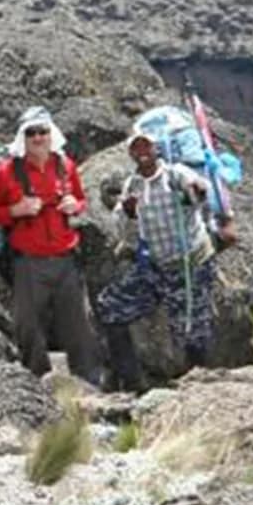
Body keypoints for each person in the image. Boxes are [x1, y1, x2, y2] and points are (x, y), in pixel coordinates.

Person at [96, 130, 235, 390]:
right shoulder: (132, 186)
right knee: (111, 307)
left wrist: (197, 190)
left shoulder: (176, 175)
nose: (142, 152)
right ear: (131, 153)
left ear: (156, 148)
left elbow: (197, 193)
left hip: (190, 265)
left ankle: (200, 388)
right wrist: (129, 214)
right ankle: (130, 381)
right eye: (136, 148)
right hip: (155, 266)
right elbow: (124, 232)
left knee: (192, 331)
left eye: (146, 146)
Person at [0, 106, 103, 384]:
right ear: (22, 137)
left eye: (42, 132)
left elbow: (81, 201)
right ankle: (35, 382)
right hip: (28, 261)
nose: (37, 138)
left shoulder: (66, 166)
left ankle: (89, 382)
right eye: (31, 133)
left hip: (66, 259)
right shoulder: (7, 171)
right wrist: (15, 210)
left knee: (78, 325)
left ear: (51, 134)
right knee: (28, 325)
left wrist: (75, 205)